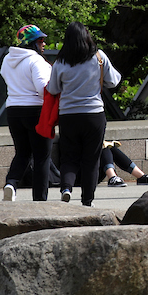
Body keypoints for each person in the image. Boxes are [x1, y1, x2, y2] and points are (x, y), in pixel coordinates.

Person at [45, 22, 123, 206]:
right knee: (91, 159)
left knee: (69, 156)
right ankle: (87, 200)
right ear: (86, 36)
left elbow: (53, 88)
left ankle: (66, 189)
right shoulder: (98, 56)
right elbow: (113, 81)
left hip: (68, 116)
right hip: (93, 115)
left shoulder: (61, 61)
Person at [1, 24, 52, 202]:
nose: (44, 43)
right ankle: (39, 199)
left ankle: (11, 184)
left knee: (22, 152)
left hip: (13, 110)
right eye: (40, 40)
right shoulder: (37, 61)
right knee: (42, 156)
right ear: (32, 43)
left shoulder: (8, 59)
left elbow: (5, 77)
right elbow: (42, 89)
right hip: (35, 111)